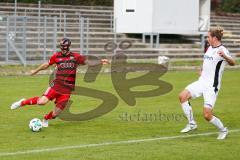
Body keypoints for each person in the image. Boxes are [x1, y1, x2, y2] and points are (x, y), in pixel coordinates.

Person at [10, 37, 108, 127]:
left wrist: (99, 61)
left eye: (65, 47)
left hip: (67, 90)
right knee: (41, 102)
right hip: (56, 85)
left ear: (68, 47)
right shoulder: (56, 56)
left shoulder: (76, 57)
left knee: (56, 113)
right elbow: (46, 64)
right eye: (62, 47)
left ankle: (45, 118)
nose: (64, 49)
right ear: (60, 47)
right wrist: (35, 71)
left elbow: (88, 62)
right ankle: (22, 102)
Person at [178, 26, 235, 139]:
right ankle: (192, 124)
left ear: (214, 38)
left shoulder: (222, 50)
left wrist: (225, 57)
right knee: (182, 96)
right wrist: (202, 70)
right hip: (202, 82)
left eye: (208, 37)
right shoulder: (209, 47)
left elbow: (233, 62)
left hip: (211, 86)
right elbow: (207, 61)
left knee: (207, 115)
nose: (207, 39)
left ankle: (223, 130)